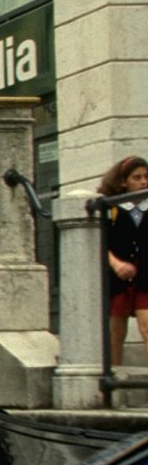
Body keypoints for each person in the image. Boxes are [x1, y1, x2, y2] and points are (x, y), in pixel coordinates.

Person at [100, 155, 148, 364]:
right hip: (119, 278)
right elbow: (100, 242)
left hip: (146, 275)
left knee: (147, 327)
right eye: (137, 178)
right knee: (117, 331)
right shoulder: (112, 209)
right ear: (123, 182)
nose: (143, 182)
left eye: (146, 177)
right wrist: (116, 264)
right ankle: (114, 380)